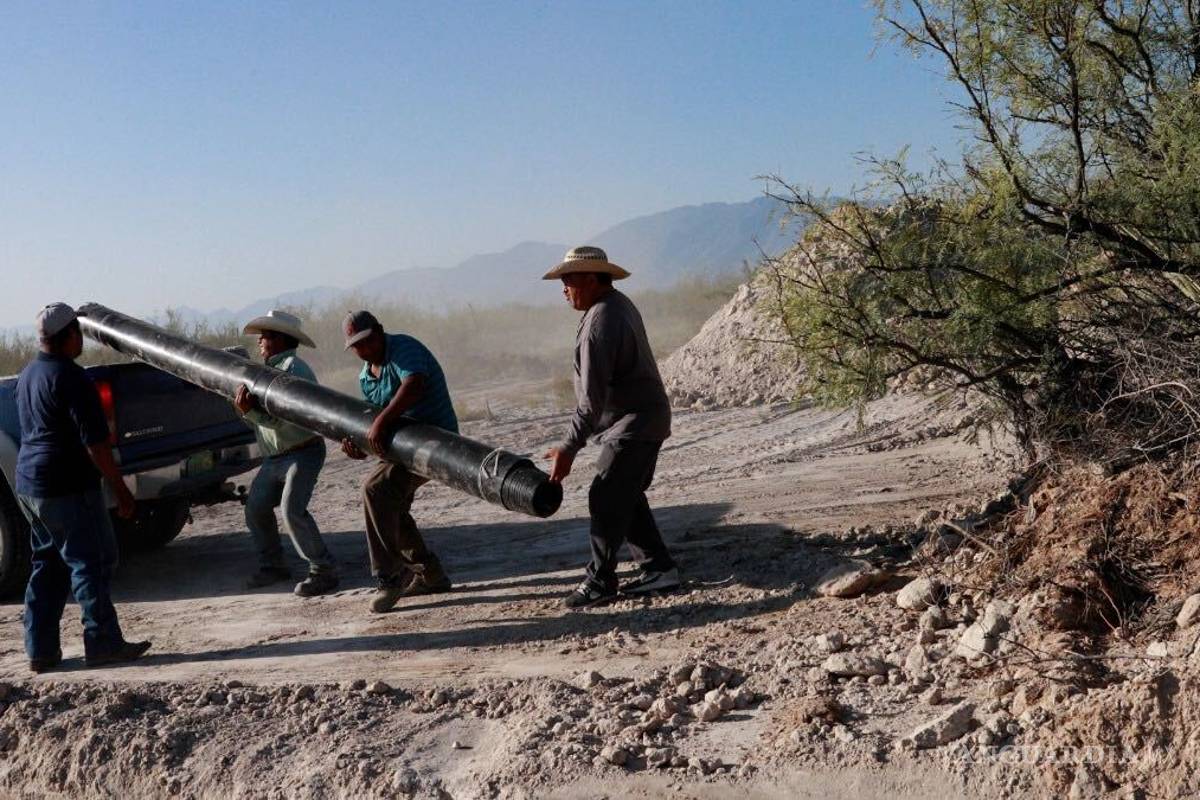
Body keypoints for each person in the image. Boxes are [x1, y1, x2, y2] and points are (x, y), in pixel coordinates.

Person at [541, 246, 680, 608]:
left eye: (568, 279)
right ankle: (659, 569)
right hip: (642, 419)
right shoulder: (614, 306)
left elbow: (590, 401)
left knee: (605, 496)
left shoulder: (601, 321)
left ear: (591, 278)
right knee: (624, 494)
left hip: (634, 424)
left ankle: (600, 580)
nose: (563, 288)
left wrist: (568, 448)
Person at [15, 302, 151, 672]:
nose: (82, 342)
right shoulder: (73, 379)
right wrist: (120, 490)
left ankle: (40, 650)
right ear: (68, 335)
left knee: (48, 563)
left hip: (30, 485)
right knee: (92, 561)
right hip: (67, 485)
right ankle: (103, 642)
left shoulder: (28, 374)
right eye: (78, 334)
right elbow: (96, 444)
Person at [339, 310, 458, 613]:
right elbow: (373, 427)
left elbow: (414, 385)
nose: (363, 350)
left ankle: (389, 578)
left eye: (367, 341)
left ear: (379, 330)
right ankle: (430, 574)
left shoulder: (404, 347)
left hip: (435, 441)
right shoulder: (366, 377)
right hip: (400, 447)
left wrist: (381, 421)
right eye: (356, 346)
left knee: (375, 491)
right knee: (391, 505)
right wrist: (359, 446)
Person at [233, 309, 338, 597]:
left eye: (264, 336)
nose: (260, 342)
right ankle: (274, 565)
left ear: (280, 339)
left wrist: (249, 412)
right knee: (256, 508)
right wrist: (249, 411)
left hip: (302, 452)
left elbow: (283, 418)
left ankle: (322, 570)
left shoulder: (294, 369)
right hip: (278, 456)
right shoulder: (271, 368)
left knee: (292, 511)